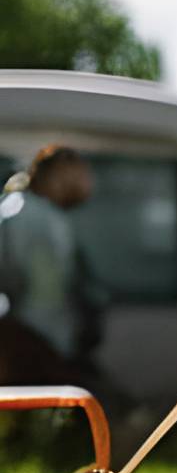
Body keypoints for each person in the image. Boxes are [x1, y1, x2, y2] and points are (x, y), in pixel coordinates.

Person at [0, 144, 102, 392]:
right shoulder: (29, 217)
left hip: (41, 337)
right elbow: (18, 281)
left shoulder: (26, 211)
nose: (82, 186)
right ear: (55, 175)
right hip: (32, 339)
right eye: (74, 177)